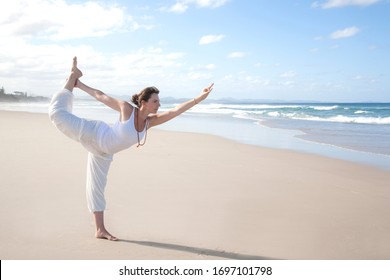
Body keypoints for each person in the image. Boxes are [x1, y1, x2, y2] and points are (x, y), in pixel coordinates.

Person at [49, 57, 214, 241]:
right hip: (94, 134)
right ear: (143, 102)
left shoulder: (149, 123)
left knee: (96, 188)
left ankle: (100, 230)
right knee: (57, 114)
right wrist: (79, 85)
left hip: (103, 153)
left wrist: (200, 97)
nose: (158, 105)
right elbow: (101, 96)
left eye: (158, 102)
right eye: (155, 101)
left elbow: (175, 111)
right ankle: (72, 78)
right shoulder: (126, 109)